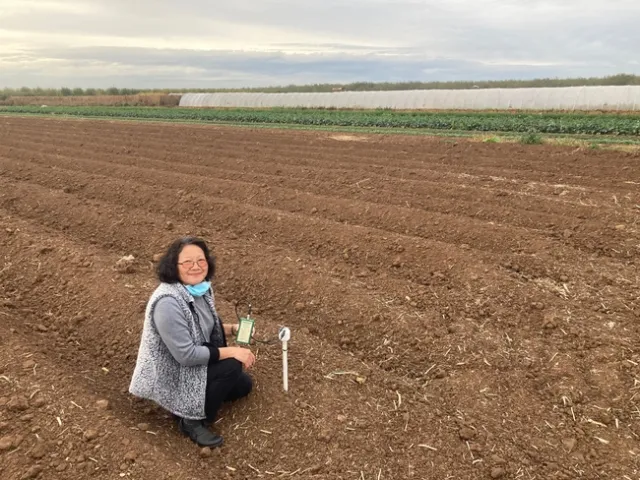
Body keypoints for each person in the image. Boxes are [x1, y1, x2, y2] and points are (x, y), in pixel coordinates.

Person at [129, 236, 255, 447]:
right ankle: (191, 419)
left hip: (194, 355)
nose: (196, 267)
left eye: (201, 260)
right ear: (174, 265)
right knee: (232, 365)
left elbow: (199, 329)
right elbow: (186, 355)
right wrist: (233, 351)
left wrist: (233, 329)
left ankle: (205, 395)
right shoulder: (168, 302)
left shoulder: (201, 290)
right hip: (174, 371)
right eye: (187, 262)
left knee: (243, 385)